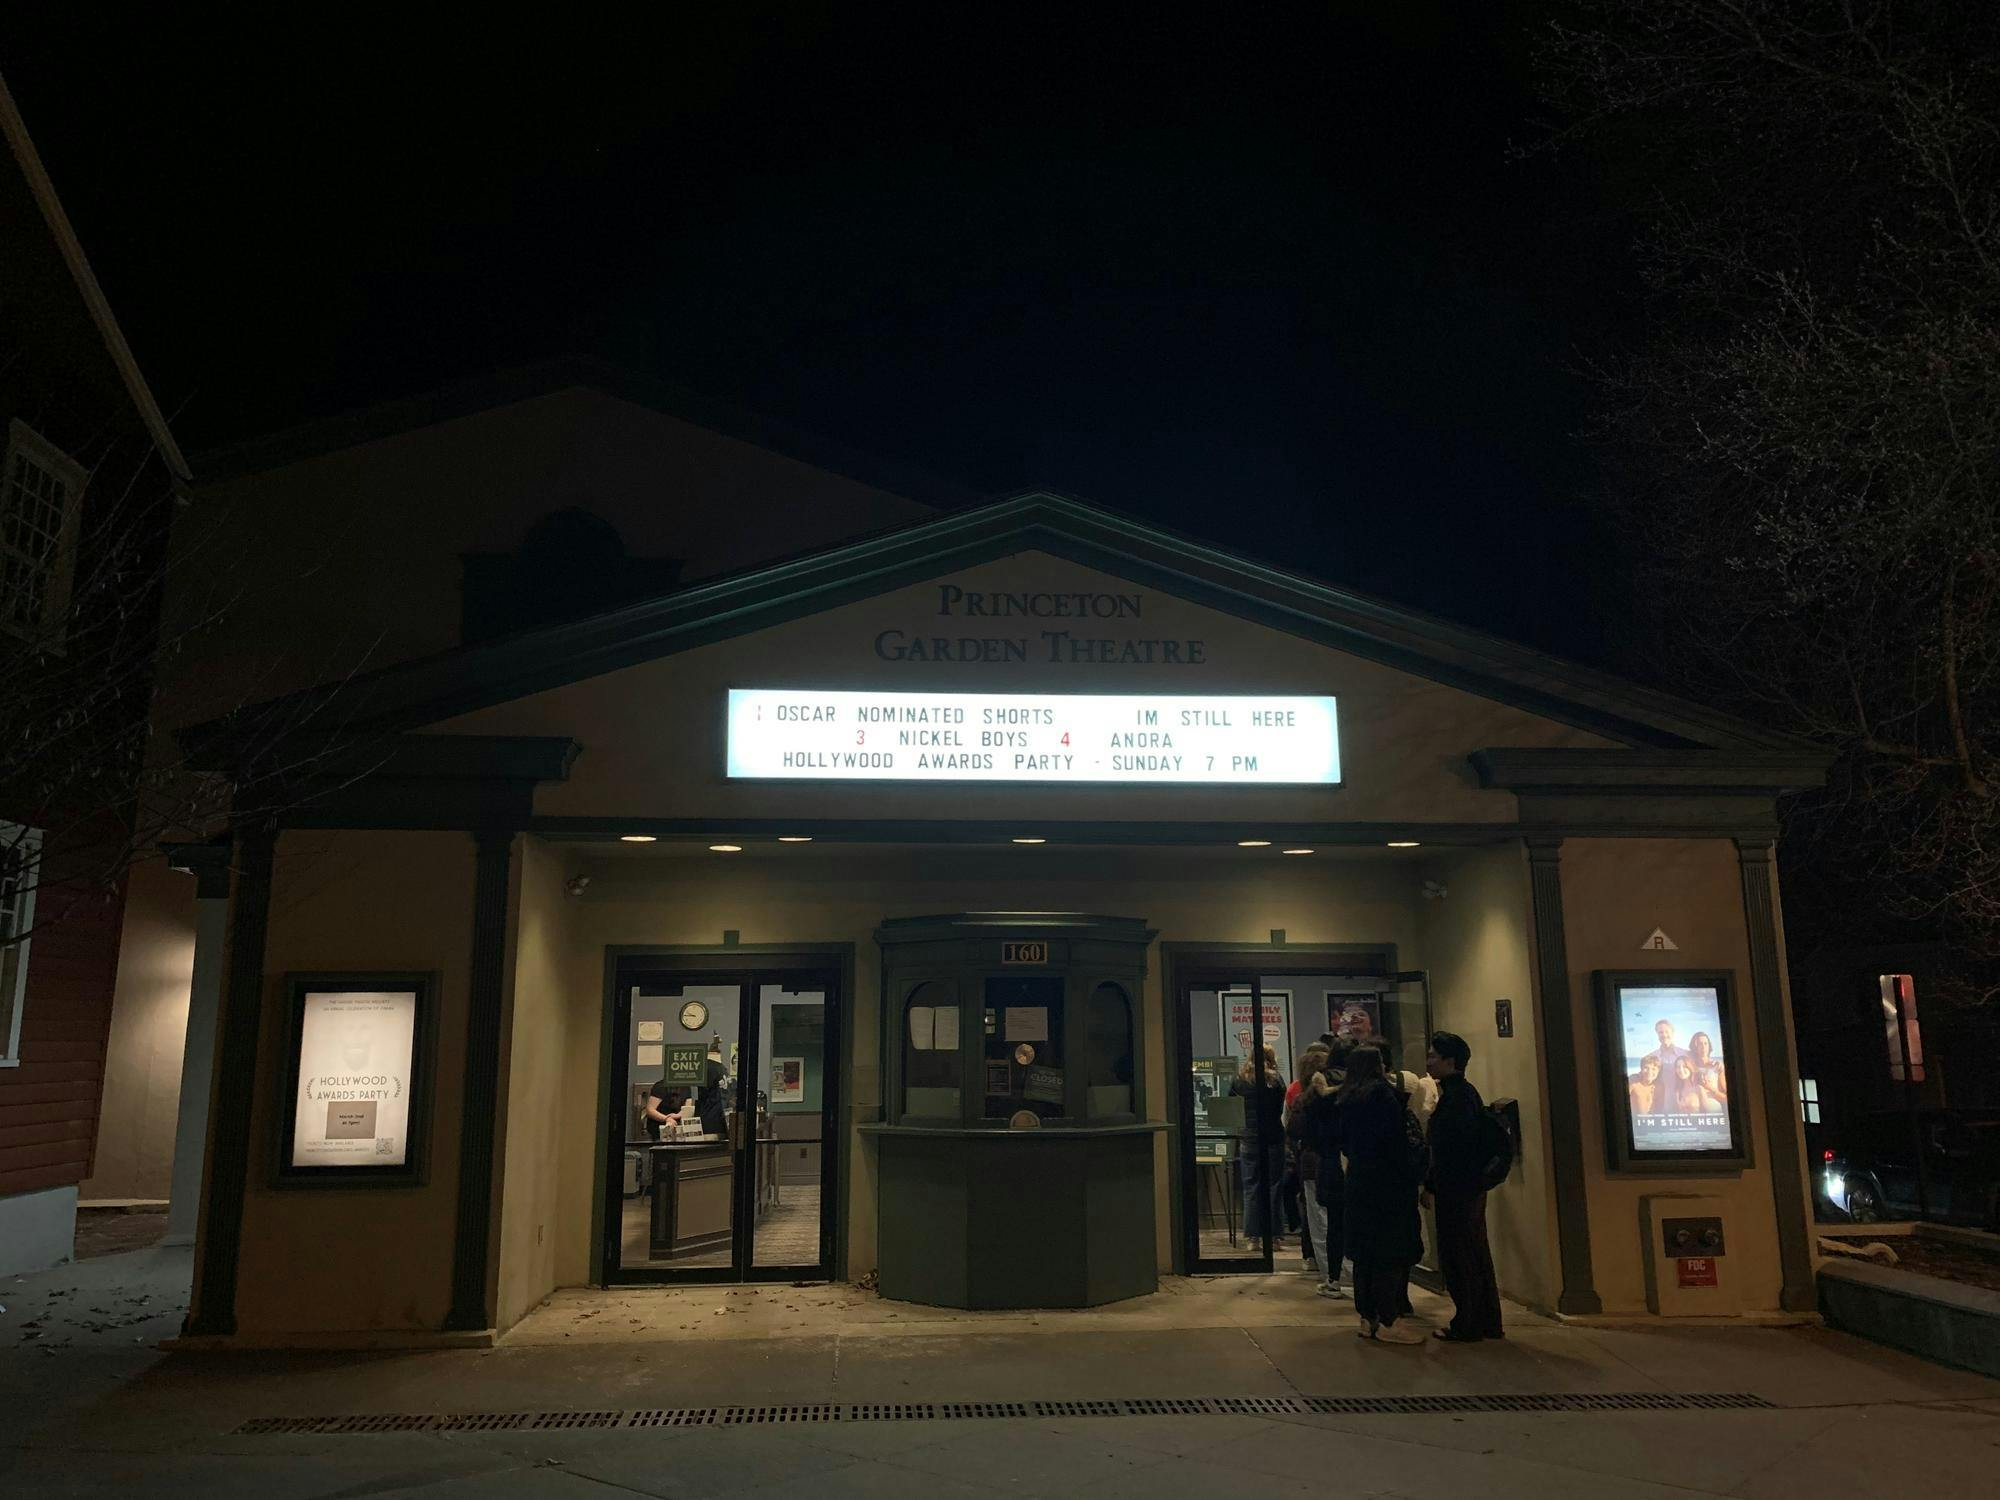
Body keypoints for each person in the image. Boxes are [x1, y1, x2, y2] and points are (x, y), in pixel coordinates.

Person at [1337, 1044, 1425, 1344]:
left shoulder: (1346, 1099)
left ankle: (1368, 1316)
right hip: (1388, 1185)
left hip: (1359, 1181)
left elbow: (1346, 1144)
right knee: (1389, 1253)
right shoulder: (1385, 1098)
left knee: (1364, 1255)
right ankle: (1389, 1318)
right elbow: (1397, 1145)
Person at [1423, 1030, 1505, 1343]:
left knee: (1460, 1255)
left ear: (1450, 1061)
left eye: (1433, 1056)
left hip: (1458, 1189)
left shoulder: (1457, 1100)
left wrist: (1432, 1183)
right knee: (1474, 1252)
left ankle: (1468, 1322)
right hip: (1468, 1188)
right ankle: (1485, 1319)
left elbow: (1451, 1150)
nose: (1429, 1061)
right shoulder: (1465, 1095)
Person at [1299, 1039, 1351, 1298]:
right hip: (1359, 1161)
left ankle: (1332, 1276)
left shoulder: (1311, 1093)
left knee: (1328, 1222)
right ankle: (1358, 1273)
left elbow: (1298, 1126)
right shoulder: (1367, 1088)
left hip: (1326, 1159)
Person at [1230, 1045, 1288, 1245]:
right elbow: (1280, 1106)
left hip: (1248, 1138)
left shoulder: (1239, 1079)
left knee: (1251, 1186)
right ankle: (1273, 1236)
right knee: (1273, 1185)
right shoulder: (1275, 1080)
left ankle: (1253, 1237)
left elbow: (1231, 1107)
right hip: (1273, 1137)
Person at [1286, 1044, 1330, 1272]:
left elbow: (1291, 1128)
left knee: (1314, 1213)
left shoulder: (1299, 1095)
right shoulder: (1339, 1094)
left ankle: (1319, 1264)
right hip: (1334, 1159)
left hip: (1310, 1160)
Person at [694, 1038, 731, 1137]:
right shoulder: (723, 1069)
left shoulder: (706, 1068)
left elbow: (702, 1095)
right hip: (722, 1120)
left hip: (710, 1121)